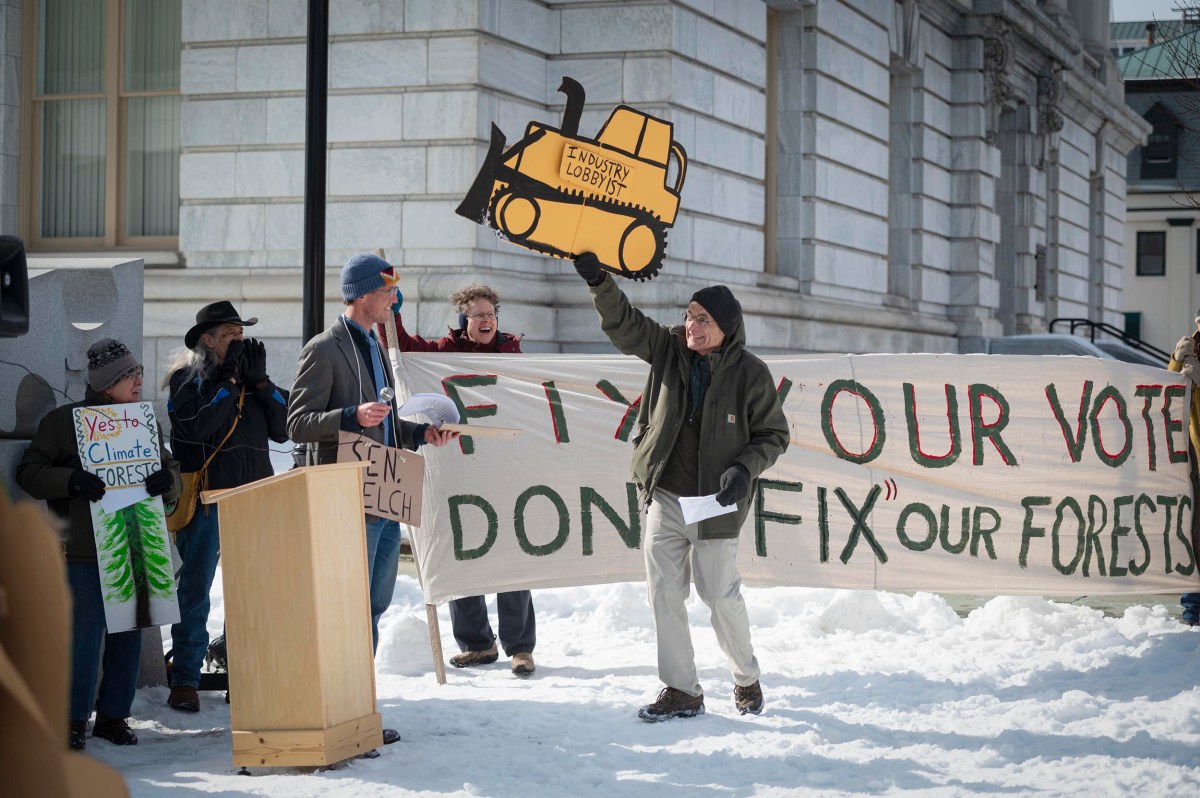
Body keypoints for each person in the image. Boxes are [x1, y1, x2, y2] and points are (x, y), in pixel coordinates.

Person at [571, 252, 789, 721]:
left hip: (715, 502)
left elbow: (774, 435)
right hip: (666, 494)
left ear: (727, 326)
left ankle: (745, 677)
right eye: (689, 316)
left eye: (703, 319)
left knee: (719, 595)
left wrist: (745, 468)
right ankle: (682, 689)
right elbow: (625, 325)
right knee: (664, 592)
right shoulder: (668, 349)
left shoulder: (751, 373)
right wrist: (598, 280)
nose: (692, 325)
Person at [287, 253, 457, 745]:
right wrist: (347, 415)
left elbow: (384, 424)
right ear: (363, 294)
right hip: (343, 497)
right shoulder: (324, 348)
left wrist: (422, 433)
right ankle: (336, 707)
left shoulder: (377, 345)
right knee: (346, 605)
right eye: (387, 293)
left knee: (373, 605)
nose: (393, 301)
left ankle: (359, 707)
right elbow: (296, 423)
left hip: (384, 494)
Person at [17, 338, 181, 750]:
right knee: (84, 638)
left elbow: (170, 474)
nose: (139, 380)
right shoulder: (62, 423)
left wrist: (168, 483)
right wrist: (71, 480)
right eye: (130, 375)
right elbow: (30, 473)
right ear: (107, 384)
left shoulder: (144, 421)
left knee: (129, 636)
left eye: (139, 373)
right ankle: (71, 720)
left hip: (136, 542)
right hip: (84, 551)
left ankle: (113, 717)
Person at [379, 284, 535, 676]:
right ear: (463, 320)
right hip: (459, 469)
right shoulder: (442, 354)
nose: (485, 320)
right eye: (477, 314)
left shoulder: (511, 355)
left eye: (490, 314)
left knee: (511, 552)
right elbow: (401, 349)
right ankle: (478, 643)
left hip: (504, 467)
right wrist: (392, 312)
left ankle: (520, 647)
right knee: (463, 547)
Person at [163, 301, 290, 712]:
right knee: (196, 589)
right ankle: (185, 676)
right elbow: (195, 425)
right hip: (206, 501)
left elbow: (286, 429)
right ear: (208, 339)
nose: (240, 340)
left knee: (250, 591)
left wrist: (263, 383)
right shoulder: (187, 380)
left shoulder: (251, 380)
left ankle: (244, 669)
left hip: (254, 499)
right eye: (231, 334)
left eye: (241, 333)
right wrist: (229, 380)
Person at [1168, 309, 1200, 627]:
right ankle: (1192, 611)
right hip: (1194, 464)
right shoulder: (1190, 350)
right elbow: (1170, 395)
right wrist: (1177, 362)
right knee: (1192, 539)